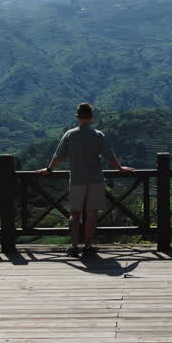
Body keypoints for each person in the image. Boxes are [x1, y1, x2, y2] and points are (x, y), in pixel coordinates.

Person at [35, 103, 133, 257]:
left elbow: (58, 156)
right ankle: (88, 245)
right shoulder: (98, 135)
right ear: (92, 117)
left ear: (77, 117)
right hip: (95, 179)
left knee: (75, 214)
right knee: (92, 214)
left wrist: (49, 170)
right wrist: (120, 168)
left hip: (77, 179)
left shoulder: (70, 134)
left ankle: (74, 246)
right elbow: (109, 155)